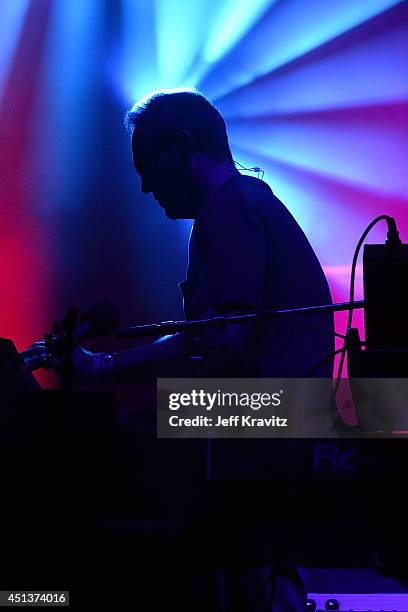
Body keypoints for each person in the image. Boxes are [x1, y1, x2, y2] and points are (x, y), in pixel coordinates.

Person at [26, 87, 335, 610]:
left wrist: (103, 369)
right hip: (293, 414)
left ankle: (47, 592)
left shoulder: (229, 211)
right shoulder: (249, 202)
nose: (145, 186)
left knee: (125, 454)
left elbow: (222, 341)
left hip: (272, 419)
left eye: (146, 164)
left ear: (182, 145)